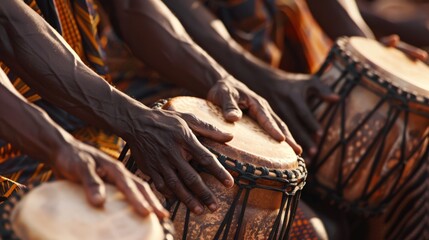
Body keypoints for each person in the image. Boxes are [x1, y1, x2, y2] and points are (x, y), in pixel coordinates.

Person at [0, 0, 300, 216]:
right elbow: (9, 26)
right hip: (16, 147)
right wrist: (128, 120)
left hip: (93, 126)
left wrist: (219, 78)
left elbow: (131, 5)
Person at [0, 66, 168, 218]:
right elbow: (19, 43)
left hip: (72, 124)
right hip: (14, 146)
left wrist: (136, 118)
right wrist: (62, 148)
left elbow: (32, 42)